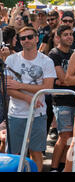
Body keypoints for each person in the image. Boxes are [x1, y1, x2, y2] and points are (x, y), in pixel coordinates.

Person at [5, 26, 56, 172]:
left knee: (36, 152)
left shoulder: (46, 61)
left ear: (36, 38)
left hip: (38, 114)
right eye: (23, 38)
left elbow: (47, 87)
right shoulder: (11, 59)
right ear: (19, 41)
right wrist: (28, 98)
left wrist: (20, 85)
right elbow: (8, 88)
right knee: (14, 154)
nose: (26, 40)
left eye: (29, 37)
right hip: (15, 114)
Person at [48, 25, 75, 172]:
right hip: (61, 101)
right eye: (66, 34)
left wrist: (69, 80)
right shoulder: (54, 54)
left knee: (71, 136)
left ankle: (64, 166)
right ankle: (53, 167)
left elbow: (66, 79)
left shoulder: (74, 53)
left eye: (71, 34)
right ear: (58, 37)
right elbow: (63, 79)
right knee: (64, 135)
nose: (69, 37)